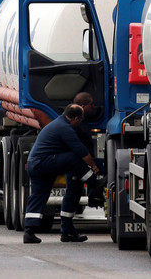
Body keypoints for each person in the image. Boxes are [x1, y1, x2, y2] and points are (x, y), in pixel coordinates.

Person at [23, 104, 105, 244]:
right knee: (73, 158)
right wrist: (94, 167)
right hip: (42, 163)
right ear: (76, 118)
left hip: (36, 165)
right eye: (81, 119)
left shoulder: (59, 123)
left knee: (38, 196)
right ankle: (94, 183)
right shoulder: (64, 128)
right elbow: (80, 151)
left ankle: (29, 232)